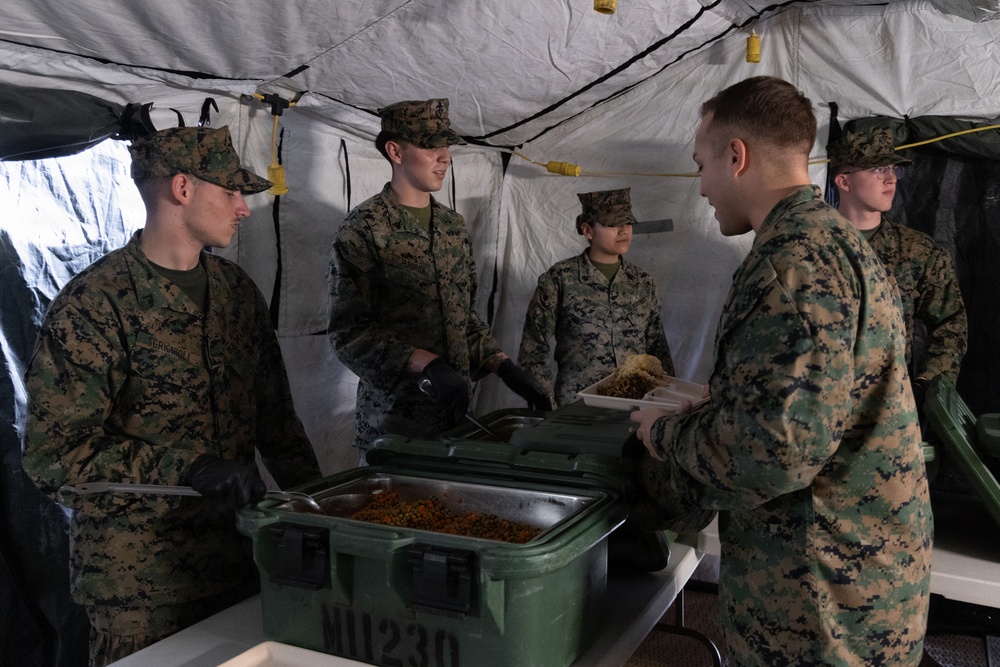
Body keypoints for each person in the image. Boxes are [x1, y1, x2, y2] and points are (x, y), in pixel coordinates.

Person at [626, 77, 931, 666]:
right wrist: (720, 411)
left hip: (817, 603)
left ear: (736, 156)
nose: (702, 187)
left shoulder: (789, 265)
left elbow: (779, 449)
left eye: (701, 165)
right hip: (862, 573)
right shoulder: (834, 240)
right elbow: (816, 402)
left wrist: (662, 433)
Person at [21, 126, 322, 666]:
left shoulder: (235, 294)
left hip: (236, 560)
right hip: (141, 589)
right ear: (182, 188)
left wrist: (324, 513)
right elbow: (53, 459)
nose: (243, 208)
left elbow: (277, 424)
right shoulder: (95, 305)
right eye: (230, 191)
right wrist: (188, 469)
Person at [328, 98, 550, 457]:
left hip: (457, 424)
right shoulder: (364, 229)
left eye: (446, 146)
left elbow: (463, 319)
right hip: (396, 430)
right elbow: (349, 334)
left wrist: (504, 366)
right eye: (431, 146)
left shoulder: (452, 227)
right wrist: (423, 361)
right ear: (395, 151)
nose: (445, 156)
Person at [828, 126, 967, 406]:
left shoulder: (917, 251)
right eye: (878, 170)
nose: (891, 179)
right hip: (815, 409)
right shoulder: (810, 246)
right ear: (844, 182)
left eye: (893, 169)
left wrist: (927, 383)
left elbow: (950, 324)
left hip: (888, 415)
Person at [517, 187, 674, 407]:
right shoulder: (560, 280)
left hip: (635, 408)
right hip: (577, 409)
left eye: (627, 223)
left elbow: (658, 352)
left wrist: (665, 404)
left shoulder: (642, 283)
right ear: (587, 230)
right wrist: (546, 409)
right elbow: (533, 350)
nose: (623, 231)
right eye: (612, 224)